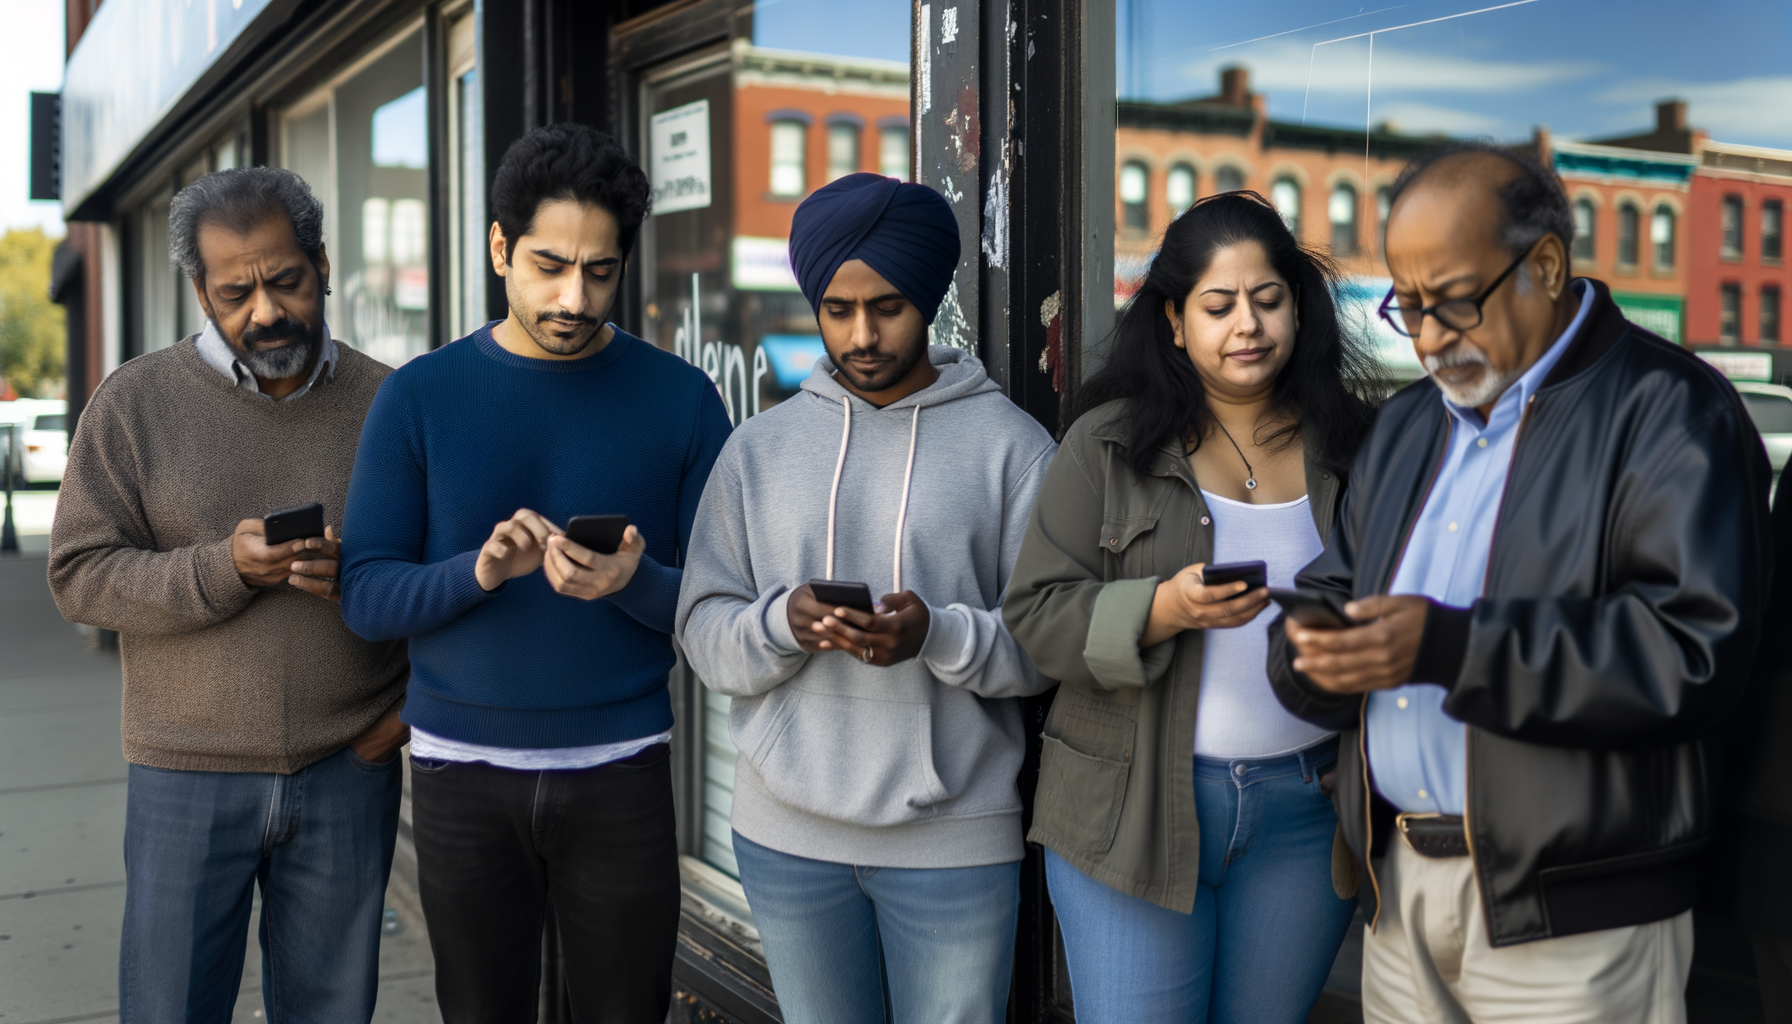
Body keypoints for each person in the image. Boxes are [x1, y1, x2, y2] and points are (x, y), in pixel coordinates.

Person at [1267, 142, 1769, 1024]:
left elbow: (1692, 652)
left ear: (1544, 264)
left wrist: (1446, 646)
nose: (1426, 337)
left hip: (1574, 923)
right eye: (1407, 307)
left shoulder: (1671, 412)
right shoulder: (1406, 425)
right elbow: (1335, 585)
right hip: (1398, 895)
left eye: (1453, 303)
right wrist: (1310, 655)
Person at [338, 124, 731, 1021]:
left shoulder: (681, 399)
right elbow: (365, 596)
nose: (573, 296)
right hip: (459, 774)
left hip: (623, 768)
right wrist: (474, 574)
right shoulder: (420, 396)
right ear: (498, 247)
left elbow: (728, 604)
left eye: (600, 271)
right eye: (549, 265)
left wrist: (629, 583)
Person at [675, 172, 1057, 1024]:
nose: (861, 333)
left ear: (927, 298)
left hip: (952, 839)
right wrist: (781, 623)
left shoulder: (1012, 450)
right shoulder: (757, 451)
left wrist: (940, 635)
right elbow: (701, 631)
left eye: (886, 306)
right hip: (785, 836)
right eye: (837, 309)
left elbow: (1046, 649)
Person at [1001, 191, 1377, 1024]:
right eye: (1219, 305)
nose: (1248, 323)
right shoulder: (1107, 443)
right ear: (1174, 322)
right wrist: (1159, 610)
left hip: (1307, 816)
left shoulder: (1357, 447)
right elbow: (1033, 616)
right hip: (1129, 808)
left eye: (1268, 299)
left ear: (1299, 310)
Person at [48, 167, 409, 1021]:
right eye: (234, 291)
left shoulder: (393, 401)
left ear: (321, 262)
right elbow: (78, 573)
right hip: (185, 773)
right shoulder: (134, 403)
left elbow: (447, 573)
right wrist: (225, 569)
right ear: (200, 291)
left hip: (346, 767)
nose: (265, 312)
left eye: (284, 280)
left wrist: (396, 713)